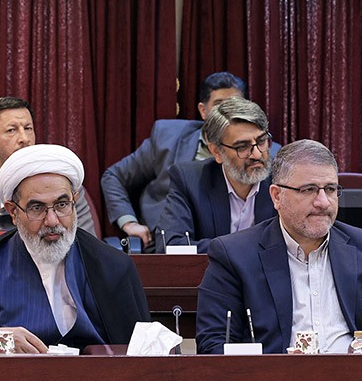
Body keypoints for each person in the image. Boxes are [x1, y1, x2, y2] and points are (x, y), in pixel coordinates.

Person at [196, 139, 362, 355]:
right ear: (277, 196)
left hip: (357, 373)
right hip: (275, 374)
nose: (323, 202)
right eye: (309, 189)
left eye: (330, 189)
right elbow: (214, 345)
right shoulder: (233, 255)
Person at [0, 144, 149, 353]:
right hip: (14, 373)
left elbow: (142, 353)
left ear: (74, 201)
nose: (52, 221)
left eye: (62, 205)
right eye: (36, 208)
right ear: (13, 211)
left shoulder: (114, 266)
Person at [99, 71, 257, 249]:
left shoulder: (261, 154)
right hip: (168, 242)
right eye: (219, 105)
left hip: (231, 247)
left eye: (235, 105)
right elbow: (114, 176)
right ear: (203, 110)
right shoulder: (167, 138)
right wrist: (129, 222)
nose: (228, 114)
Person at [0, 97, 97, 246]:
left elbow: (86, 249)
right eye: (11, 130)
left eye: (28, 128)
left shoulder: (64, 186)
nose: (24, 138)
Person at [162, 97, 277, 254]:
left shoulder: (284, 179)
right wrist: (243, 247)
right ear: (217, 152)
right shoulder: (188, 180)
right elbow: (173, 247)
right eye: (242, 147)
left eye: (262, 141)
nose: (257, 154)